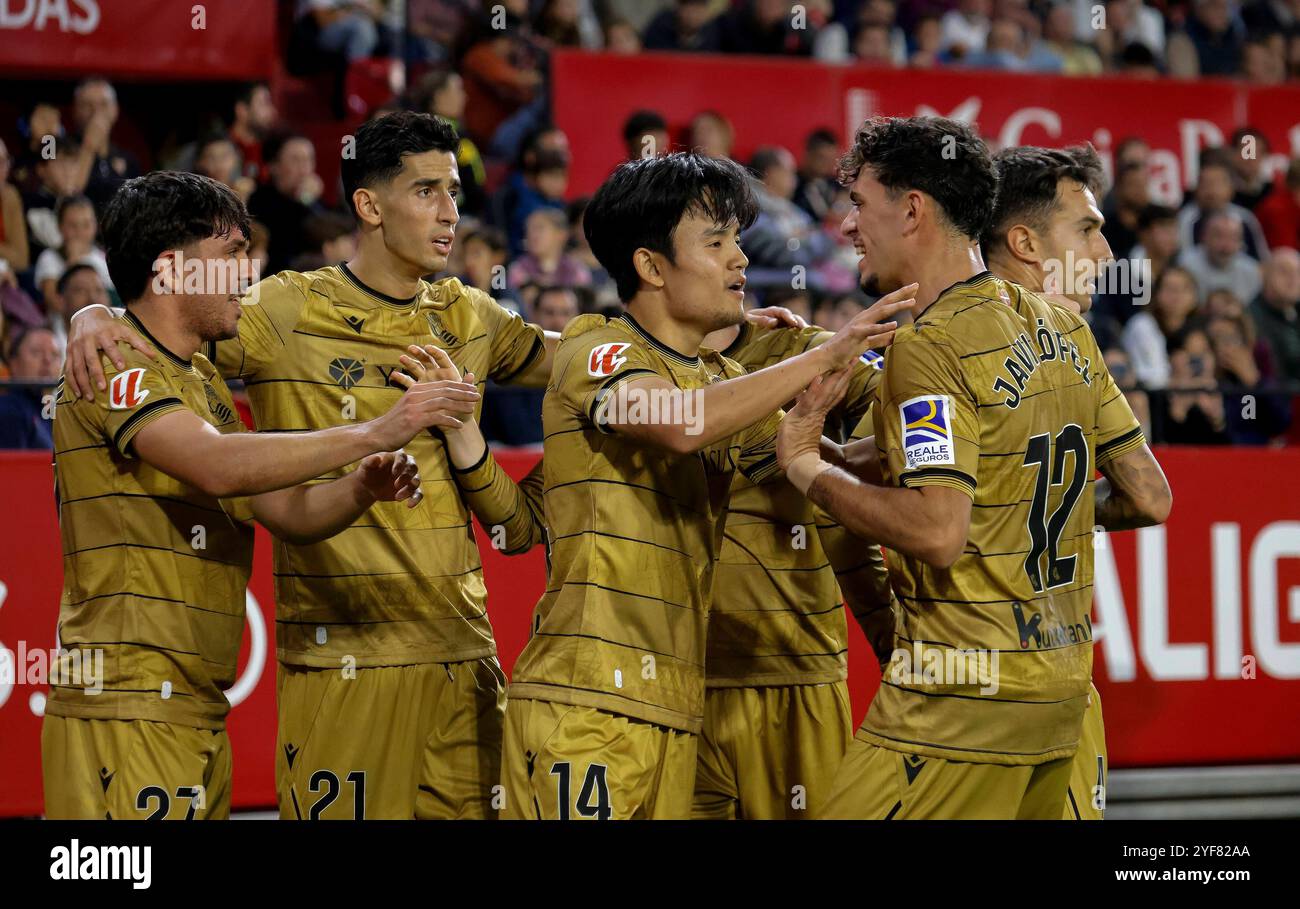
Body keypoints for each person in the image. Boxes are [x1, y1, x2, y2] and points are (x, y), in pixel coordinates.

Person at [64, 112, 558, 821]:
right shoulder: (276, 310)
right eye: (427, 191)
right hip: (340, 663)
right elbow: (166, 327)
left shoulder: (474, 315)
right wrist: (93, 310)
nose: (451, 212)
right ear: (368, 205)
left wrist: (709, 341)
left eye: (454, 191)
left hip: (463, 654)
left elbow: (585, 363)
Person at [774, 116, 1171, 819]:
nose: (847, 226)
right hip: (1062, 693)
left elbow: (935, 530)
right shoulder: (1066, 328)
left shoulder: (928, 346)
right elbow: (1147, 495)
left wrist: (807, 466)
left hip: (957, 695)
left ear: (914, 209)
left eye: (860, 204)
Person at [497, 151, 910, 820]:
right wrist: (826, 351)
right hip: (587, 702)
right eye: (716, 242)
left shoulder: (714, 379)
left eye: (738, 239)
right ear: (651, 266)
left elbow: (826, 460)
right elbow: (678, 422)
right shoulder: (596, 348)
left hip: (675, 705)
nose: (739, 259)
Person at [980, 142, 1131, 819]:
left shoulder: (938, 339)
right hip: (1043, 682)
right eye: (1088, 229)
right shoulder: (1062, 348)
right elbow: (1151, 495)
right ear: (1024, 241)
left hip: (967, 683)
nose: (1105, 255)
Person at [247, 133, 328, 275]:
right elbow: (284, 255)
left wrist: (310, 202)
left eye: (309, 159)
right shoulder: (259, 201)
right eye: (296, 160)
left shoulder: (313, 201)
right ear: (273, 166)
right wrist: (304, 201)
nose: (304, 169)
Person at [0, 325, 61, 449]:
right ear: (14, 363)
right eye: (36, 352)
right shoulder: (8, 411)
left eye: (54, 354)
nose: (47, 360)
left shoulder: (57, 412)